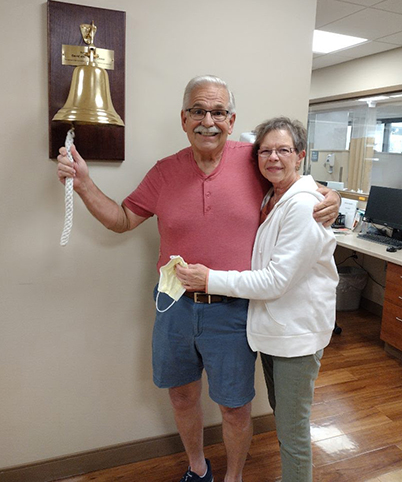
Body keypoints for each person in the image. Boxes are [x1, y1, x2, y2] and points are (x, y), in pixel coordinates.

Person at [56, 76, 340, 482]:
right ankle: (197, 468)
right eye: (198, 111)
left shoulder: (253, 160)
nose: (209, 121)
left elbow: (293, 182)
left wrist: (333, 196)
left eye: (218, 112)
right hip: (173, 305)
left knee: (235, 406)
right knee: (182, 395)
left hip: (233, 310)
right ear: (184, 119)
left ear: (231, 119)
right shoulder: (163, 173)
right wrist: (83, 184)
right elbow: (121, 220)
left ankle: (234, 476)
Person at [175, 116, 339, 482]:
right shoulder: (273, 195)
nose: (273, 158)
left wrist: (209, 279)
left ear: (301, 155)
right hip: (276, 331)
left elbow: (276, 280)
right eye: (266, 151)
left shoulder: (302, 206)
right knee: (285, 416)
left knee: (293, 429)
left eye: (283, 150)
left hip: (296, 336)